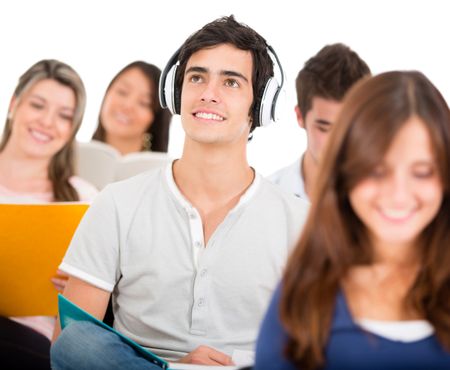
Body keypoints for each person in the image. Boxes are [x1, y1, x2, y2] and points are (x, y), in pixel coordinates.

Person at [50, 15, 309, 370]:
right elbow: (69, 346)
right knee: (77, 342)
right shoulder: (116, 202)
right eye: (197, 77)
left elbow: (314, 346)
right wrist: (168, 366)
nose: (208, 93)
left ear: (259, 105)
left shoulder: (299, 220)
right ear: (176, 92)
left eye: (231, 82)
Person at [254, 71, 450, 369]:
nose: (399, 195)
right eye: (376, 171)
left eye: (422, 172)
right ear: (345, 172)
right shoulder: (302, 297)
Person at [0, 59, 98, 369]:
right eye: (38, 105)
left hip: (28, 344)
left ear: (73, 129)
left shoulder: (83, 198)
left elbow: (103, 309)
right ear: (15, 104)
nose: (47, 122)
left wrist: (80, 287)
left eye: (64, 116)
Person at [269, 43, 370, 200]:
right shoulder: (269, 199)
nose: (339, 143)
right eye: (325, 128)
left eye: (350, 128)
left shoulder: (384, 199)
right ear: (300, 117)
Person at [91, 61, 172, 154]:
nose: (128, 106)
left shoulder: (163, 167)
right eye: (122, 92)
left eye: (144, 103)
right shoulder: (74, 158)